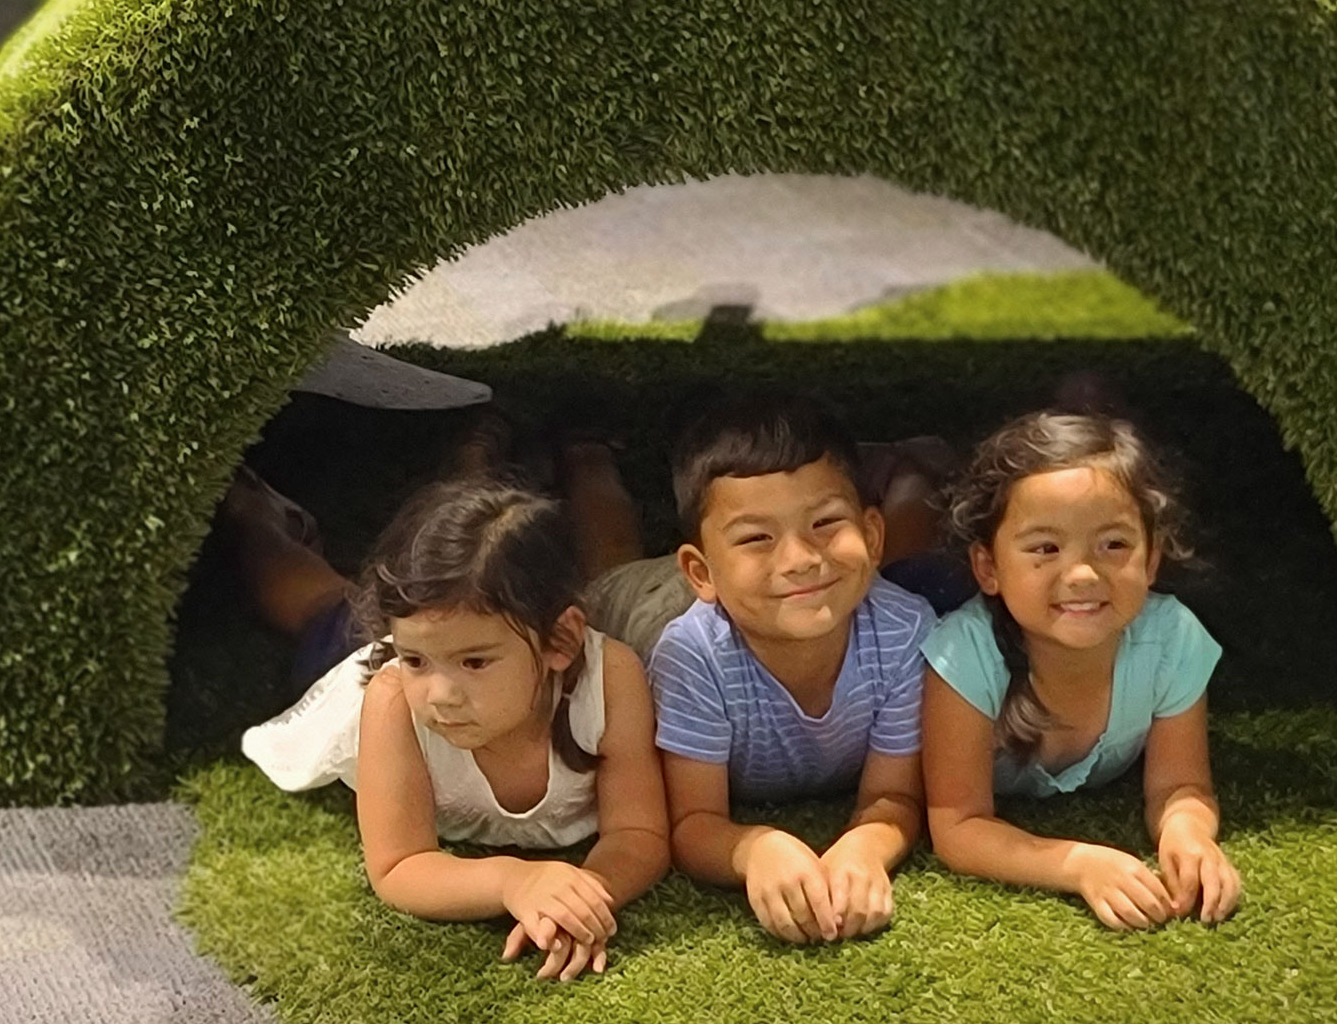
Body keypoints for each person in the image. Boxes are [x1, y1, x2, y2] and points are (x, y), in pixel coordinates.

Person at [235, 472, 669, 981]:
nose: (439, 695)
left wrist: (580, 900)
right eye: (416, 660)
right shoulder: (394, 697)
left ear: (561, 641)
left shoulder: (611, 679)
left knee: (608, 572)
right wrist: (514, 881)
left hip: (471, 626)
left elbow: (638, 833)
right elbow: (398, 866)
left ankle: (584, 452)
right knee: (321, 607)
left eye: (475, 662)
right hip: (358, 658)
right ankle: (252, 515)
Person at [626, 391, 941, 945]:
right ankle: (587, 465)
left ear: (872, 536)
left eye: (825, 522)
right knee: (604, 566)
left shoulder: (907, 631)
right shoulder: (689, 656)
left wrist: (866, 847)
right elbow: (692, 823)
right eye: (757, 537)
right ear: (701, 572)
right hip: (645, 603)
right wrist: (754, 850)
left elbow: (896, 796)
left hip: (760, 596)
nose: (800, 558)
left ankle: (914, 470)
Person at [919, 409, 1243, 930]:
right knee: (912, 553)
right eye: (1045, 548)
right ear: (989, 568)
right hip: (925, 586)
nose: (1083, 574)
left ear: (1152, 558)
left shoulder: (1171, 638)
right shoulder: (964, 653)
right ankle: (908, 470)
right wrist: (1077, 865)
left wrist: (1188, 835)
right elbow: (958, 826)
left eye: (1113, 544)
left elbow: (1180, 786)